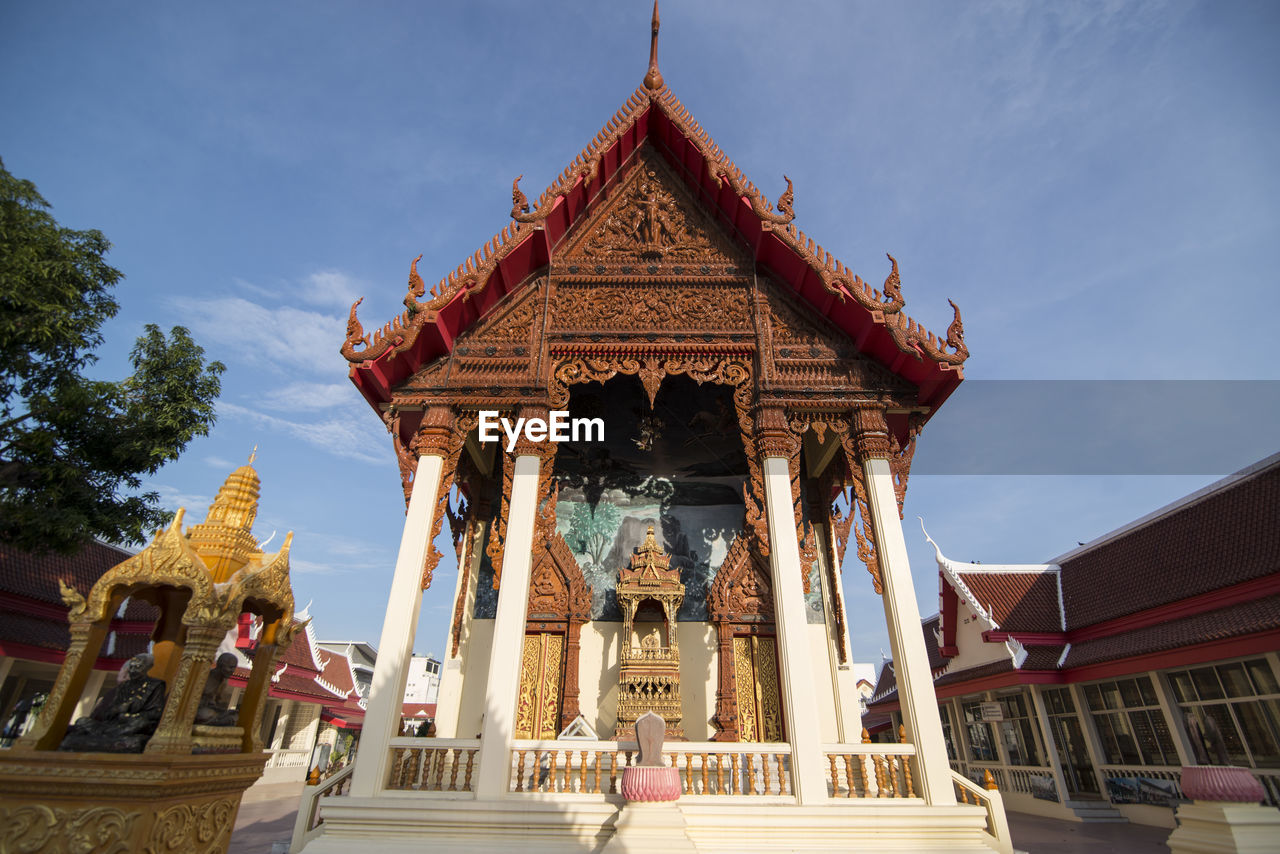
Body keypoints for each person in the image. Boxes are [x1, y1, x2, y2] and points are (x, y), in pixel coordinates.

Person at [60, 653, 166, 752]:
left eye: (138, 667)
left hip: (131, 724)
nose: (133, 671)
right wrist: (117, 709)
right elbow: (107, 714)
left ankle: (101, 738)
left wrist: (128, 716)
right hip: (113, 726)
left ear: (148, 667)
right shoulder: (123, 687)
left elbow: (155, 713)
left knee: (140, 726)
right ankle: (103, 738)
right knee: (82, 721)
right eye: (131, 667)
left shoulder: (155, 685)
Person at [195, 652, 240, 726]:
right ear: (221, 665)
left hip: (210, 709)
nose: (233, 671)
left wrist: (224, 711)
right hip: (197, 709)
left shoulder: (223, 682)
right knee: (206, 714)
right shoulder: (206, 677)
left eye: (234, 668)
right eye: (230, 667)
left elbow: (216, 702)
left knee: (233, 717)